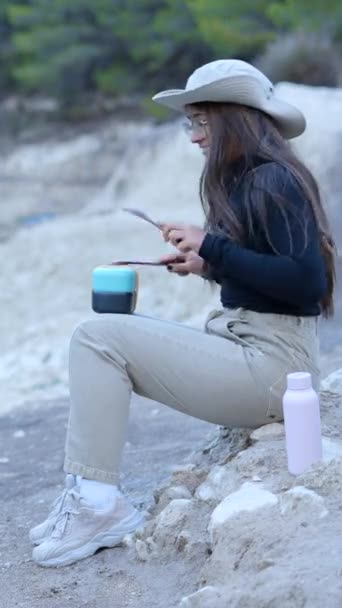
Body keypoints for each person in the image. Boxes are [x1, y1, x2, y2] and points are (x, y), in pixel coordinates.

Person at [29, 59, 335, 567]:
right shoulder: (253, 180)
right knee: (101, 335)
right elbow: (271, 279)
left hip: (274, 367)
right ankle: (86, 495)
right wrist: (206, 265)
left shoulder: (272, 181)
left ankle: (97, 503)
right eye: (189, 122)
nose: (193, 136)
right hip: (257, 353)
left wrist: (213, 245)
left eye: (200, 121)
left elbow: (308, 283)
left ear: (234, 117)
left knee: (96, 337)